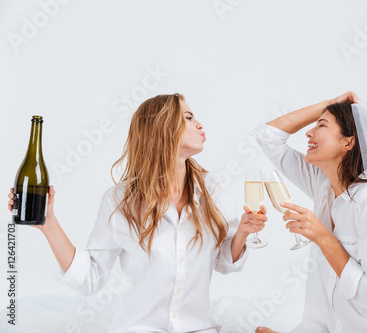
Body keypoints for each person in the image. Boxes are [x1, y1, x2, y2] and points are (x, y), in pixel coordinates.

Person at [7, 93, 268, 333]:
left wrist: (243, 231)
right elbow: (90, 278)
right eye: (188, 118)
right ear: (161, 129)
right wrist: (49, 223)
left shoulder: (214, 188)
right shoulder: (120, 201)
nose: (200, 124)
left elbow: (224, 262)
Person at [253, 92, 367, 333]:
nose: (308, 134)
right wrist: (332, 104)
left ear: (348, 142)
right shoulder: (324, 187)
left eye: (321, 126)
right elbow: (267, 136)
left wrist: (323, 237)